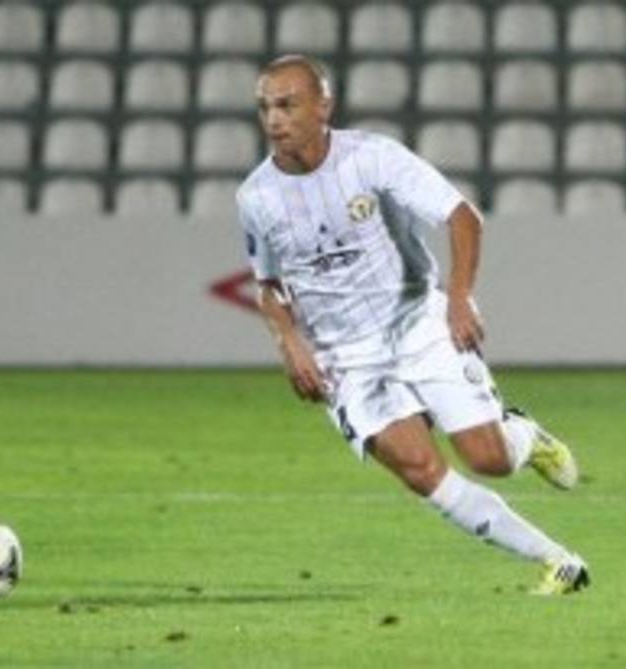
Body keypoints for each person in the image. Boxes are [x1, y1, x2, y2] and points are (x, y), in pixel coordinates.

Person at [235, 55, 590, 595]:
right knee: (422, 471)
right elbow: (268, 284)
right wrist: (289, 341)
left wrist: (460, 298)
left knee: (488, 459)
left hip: (418, 323)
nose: (274, 119)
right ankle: (558, 562)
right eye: (265, 108)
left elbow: (462, 217)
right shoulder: (256, 196)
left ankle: (524, 436)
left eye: (287, 105)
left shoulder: (373, 159)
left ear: (323, 106)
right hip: (345, 357)